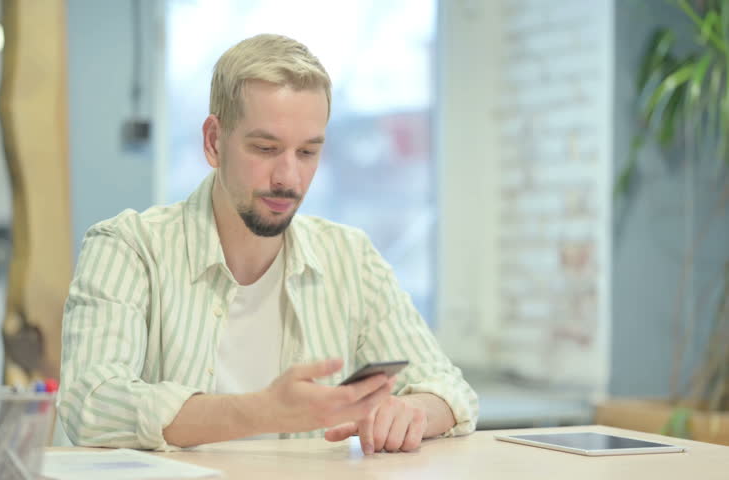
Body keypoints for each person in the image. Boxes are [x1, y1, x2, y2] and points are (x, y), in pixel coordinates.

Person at [57, 33, 478, 455]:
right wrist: (266, 411)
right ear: (213, 142)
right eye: (265, 148)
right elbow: (90, 404)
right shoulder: (127, 247)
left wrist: (413, 410)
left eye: (308, 152)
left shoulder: (352, 258)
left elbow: (449, 391)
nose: (288, 178)